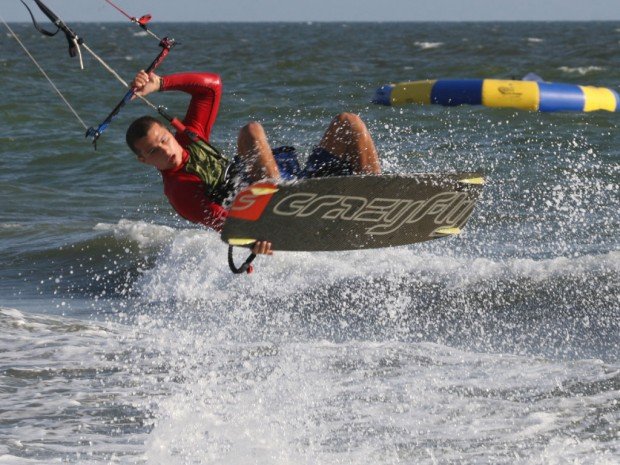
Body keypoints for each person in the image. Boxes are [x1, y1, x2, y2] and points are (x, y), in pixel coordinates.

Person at [125, 70, 381, 256]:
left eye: (164, 140)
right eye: (153, 151)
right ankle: (282, 207)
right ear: (143, 160)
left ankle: (376, 197)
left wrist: (161, 83)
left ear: (170, 132)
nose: (165, 150)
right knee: (251, 131)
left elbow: (211, 86)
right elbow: (225, 223)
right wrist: (256, 236)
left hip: (290, 183)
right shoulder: (179, 189)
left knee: (349, 123)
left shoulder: (190, 136)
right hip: (260, 207)